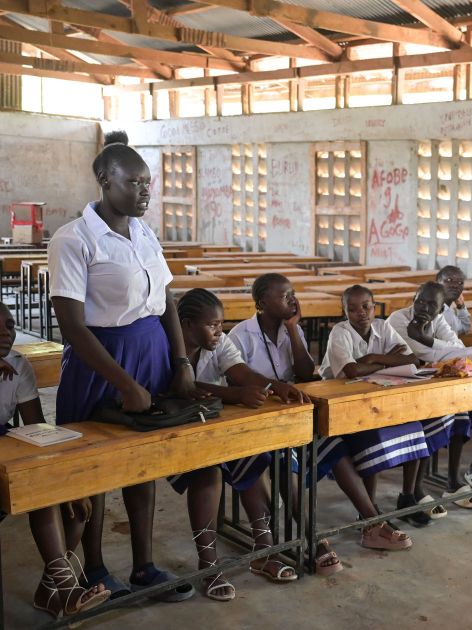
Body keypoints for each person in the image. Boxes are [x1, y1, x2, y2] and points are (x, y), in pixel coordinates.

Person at [49, 133, 197, 602]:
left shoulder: (145, 232)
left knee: (142, 464)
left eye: (147, 183)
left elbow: (167, 300)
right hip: (101, 359)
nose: (144, 191)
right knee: (94, 469)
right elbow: (73, 326)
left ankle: (144, 566)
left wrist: (180, 360)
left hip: (150, 349)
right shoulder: (74, 239)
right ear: (103, 180)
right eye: (134, 182)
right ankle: (92, 567)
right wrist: (125, 383)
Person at [229, 275, 413, 553]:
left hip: (292, 414)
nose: (292, 300)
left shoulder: (292, 331)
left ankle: (371, 522)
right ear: (262, 303)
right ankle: (303, 539)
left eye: (293, 294)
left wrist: (292, 329)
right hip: (254, 419)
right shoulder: (241, 336)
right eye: (285, 296)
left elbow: (304, 373)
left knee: (335, 445)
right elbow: (236, 381)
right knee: (282, 459)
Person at [169, 288, 310, 600]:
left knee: (252, 456)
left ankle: (263, 548)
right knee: (209, 474)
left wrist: (276, 387)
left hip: (212, 427)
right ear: (187, 324)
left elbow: (242, 372)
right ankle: (209, 565)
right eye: (212, 325)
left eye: (222, 324)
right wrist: (233, 394)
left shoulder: (219, 341)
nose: (220, 331)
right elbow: (178, 388)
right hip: (171, 432)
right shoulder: (165, 345)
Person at [0, 303, 111, 617]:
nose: (5, 334)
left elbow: (35, 429)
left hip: (6, 447)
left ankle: (55, 590)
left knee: (67, 499)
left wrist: (61, 478)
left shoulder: (18, 364)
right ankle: (64, 590)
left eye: (9, 326)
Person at [387, 281, 472, 507]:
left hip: (430, 384)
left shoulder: (439, 320)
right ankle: (415, 487)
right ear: (413, 299)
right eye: (419, 301)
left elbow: (457, 346)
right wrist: (434, 349)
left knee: (460, 412)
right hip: (400, 388)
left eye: (431, 304)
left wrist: (426, 339)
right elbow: (424, 355)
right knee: (434, 418)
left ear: (442, 308)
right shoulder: (398, 320)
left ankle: (452, 481)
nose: (423, 307)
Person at [319, 285, 432, 527]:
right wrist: (387, 360)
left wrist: (373, 359)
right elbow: (351, 371)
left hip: (375, 397)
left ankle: (408, 497)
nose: (361, 313)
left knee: (415, 426)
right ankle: (369, 508)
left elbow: (412, 359)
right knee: (373, 437)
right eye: (353, 308)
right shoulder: (340, 332)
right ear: (344, 312)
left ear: (374, 306)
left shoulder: (382, 326)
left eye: (366, 306)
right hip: (341, 402)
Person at [437, 265, 472, 334]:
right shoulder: (431, 309)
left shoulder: (448, 310)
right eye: (449, 280)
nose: (455, 285)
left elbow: (465, 328)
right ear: (437, 283)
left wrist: (461, 306)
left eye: (460, 283)